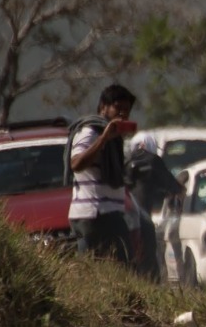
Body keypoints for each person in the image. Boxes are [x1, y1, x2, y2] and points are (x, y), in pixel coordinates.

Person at [68, 83, 137, 263]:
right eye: (117, 108)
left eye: (126, 110)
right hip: (95, 214)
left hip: (110, 213)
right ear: (103, 107)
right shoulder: (90, 132)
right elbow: (76, 164)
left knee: (123, 265)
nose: (122, 114)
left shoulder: (116, 139)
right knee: (103, 267)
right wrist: (104, 138)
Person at [124, 130, 186, 281]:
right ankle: (151, 286)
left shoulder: (125, 162)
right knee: (149, 259)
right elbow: (174, 187)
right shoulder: (153, 160)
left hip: (123, 216)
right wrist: (180, 191)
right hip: (143, 217)